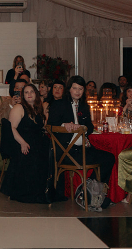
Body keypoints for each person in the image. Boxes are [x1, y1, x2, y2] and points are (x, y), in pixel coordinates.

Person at [47, 75, 116, 204]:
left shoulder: (84, 106)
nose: (78, 91)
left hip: (82, 149)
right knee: (103, 159)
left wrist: (82, 127)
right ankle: (89, 192)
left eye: (80, 89)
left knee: (109, 158)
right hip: (66, 152)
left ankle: (88, 190)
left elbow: (89, 126)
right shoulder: (59, 104)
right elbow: (50, 125)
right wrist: (64, 125)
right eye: (75, 88)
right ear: (69, 90)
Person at [0, 83, 51, 204]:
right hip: (22, 141)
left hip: (38, 142)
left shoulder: (39, 108)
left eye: (31, 92)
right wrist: (22, 143)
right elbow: (12, 128)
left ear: (36, 94)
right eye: (26, 92)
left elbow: (43, 127)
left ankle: (45, 189)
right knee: (32, 155)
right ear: (23, 95)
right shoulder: (19, 107)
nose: (29, 94)